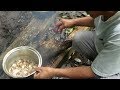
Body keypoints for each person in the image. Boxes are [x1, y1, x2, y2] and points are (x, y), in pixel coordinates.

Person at [34, 11, 120, 79]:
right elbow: (97, 19)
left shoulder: (118, 34)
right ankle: (102, 61)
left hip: (116, 69)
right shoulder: (109, 12)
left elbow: (92, 72)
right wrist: (73, 22)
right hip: (108, 49)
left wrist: (52, 72)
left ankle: (103, 69)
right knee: (79, 38)